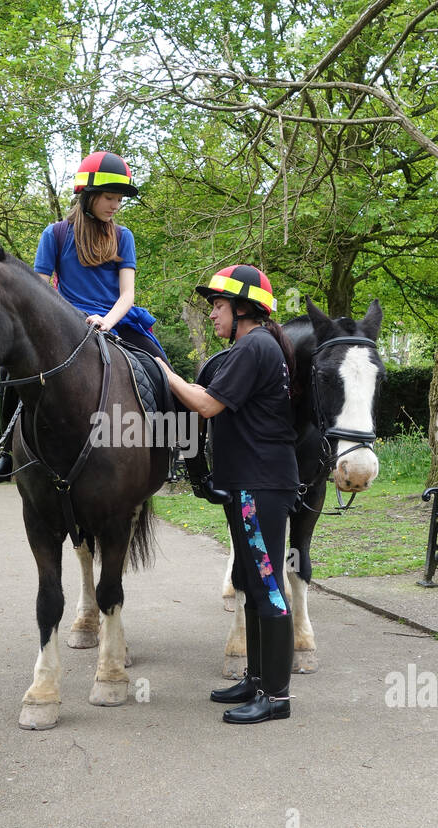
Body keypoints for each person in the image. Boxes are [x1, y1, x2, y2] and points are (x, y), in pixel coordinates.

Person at [157, 266, 299, 725]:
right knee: (254, 584)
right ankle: (256, 680)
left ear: (243, 308)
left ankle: (275, 697)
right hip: (251, 484)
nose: (213, 314)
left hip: (260, 484)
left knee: (268, 586)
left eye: (218, 306)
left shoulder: (254, 345)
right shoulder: (254, 346)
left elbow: (204, 404)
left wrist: (164, 372)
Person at [0, 150, 167, 482]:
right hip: (65, 324)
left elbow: (127, 294)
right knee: (12, 371)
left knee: (160, 368)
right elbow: (40, 292)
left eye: (119, 199)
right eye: (110, 197)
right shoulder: (54, 235)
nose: (115, 205)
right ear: (87, 197)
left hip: (117, 321)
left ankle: (170, 451)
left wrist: (107, 321)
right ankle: (7, 453)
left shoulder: (124, 237)